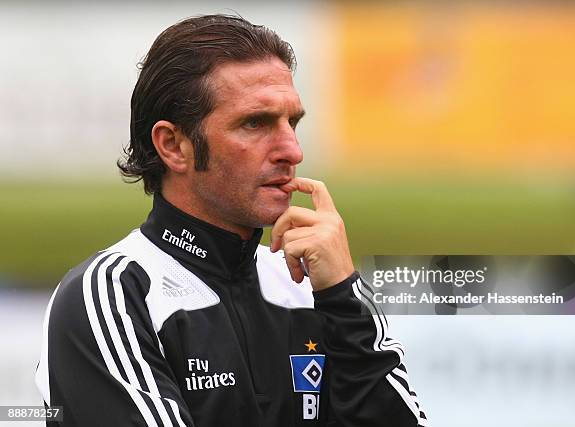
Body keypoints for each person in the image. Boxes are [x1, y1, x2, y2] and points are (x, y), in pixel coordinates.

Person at [35, 14, 427, 427]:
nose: (292, 151)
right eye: (255, 123)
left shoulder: (312, 288)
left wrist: (345, 296)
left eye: (292, 122)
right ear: (174, 146)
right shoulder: (113, 292)